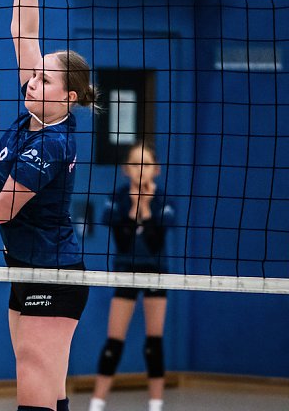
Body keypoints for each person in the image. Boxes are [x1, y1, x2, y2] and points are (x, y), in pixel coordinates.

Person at [0, 0, 98, 411]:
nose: (32, 82)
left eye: (44, 79)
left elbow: (1, 210)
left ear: (68, 96)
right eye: (35, 74)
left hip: (53, 275)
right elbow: (23, 30)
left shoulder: (51, 143)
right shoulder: (36, 115)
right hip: (25, 269)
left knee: (34, 389)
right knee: (48, 388)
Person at [89, 142, 175, 411]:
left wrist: (146, 209)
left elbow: (154, 241)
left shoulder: (164, 200)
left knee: (153, 343)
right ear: (126, 169)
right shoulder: (117, 197)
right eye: (135, 164)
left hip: (155, 272)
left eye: (146, 164)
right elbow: (123, 240)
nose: (140, 169)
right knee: (114, 342)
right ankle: (97, 403)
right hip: (126, 271)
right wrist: (134, 207)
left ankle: (156, 404)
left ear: (156, 170)